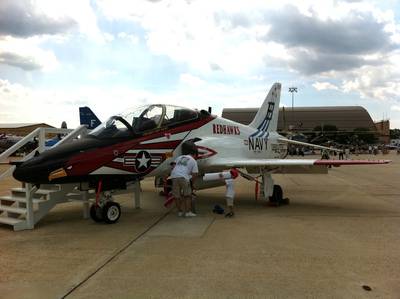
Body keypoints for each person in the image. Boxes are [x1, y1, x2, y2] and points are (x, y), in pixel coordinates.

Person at [170, 150, 198, 217]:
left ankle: (180, 212)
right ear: (194, 155)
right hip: (183, 177)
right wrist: (192, 183)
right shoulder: (193, 160)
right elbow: (195, 174)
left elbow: (173, 166)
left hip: (174, 176)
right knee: (187, 196)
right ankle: (188, 212)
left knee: (176, 196)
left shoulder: (180, 157)